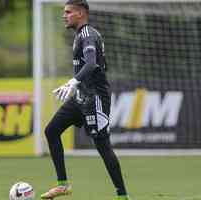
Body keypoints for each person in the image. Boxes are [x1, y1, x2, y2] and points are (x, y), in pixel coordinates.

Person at [41, 0, 130, 199]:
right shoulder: (80, 36)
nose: (64, 15)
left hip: (95, 98)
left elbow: (91, 64)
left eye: (68, 12)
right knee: (51, 131)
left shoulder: (88, 35)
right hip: (81, 96)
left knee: (102, 146)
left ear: (80, 13)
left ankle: (123, 195)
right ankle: (63, 185)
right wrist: (74, 85)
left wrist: (73, 81)